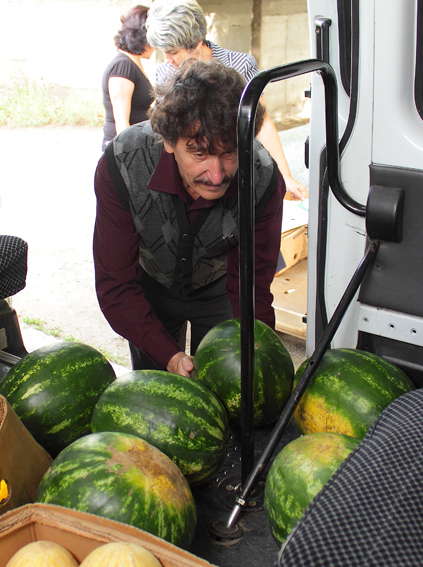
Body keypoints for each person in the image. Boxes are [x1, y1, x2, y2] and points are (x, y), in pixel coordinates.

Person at [93, 60, 285, 377]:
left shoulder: (263, 181)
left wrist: (257, 359)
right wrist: (168, 357)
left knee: (232, 384)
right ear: (169, 141)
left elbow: (252, 291)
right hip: (149, 286)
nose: (217, 174)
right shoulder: (122, 165)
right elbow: (116, 287)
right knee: (156, 388)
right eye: (199, 153)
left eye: (229, 153)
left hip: (221, 289)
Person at [145, 0, 308, 201]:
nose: (167, 59)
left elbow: (262, 123)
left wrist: (286, 177)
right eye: (163, 52)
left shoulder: (238, 65)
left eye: (172, 52)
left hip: (232, 177)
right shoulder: (165, 74)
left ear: (195, 43)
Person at [101, 5, 154, 151]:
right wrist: (130, 157)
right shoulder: (123, 67)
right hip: (123, 150)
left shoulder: (132, 63)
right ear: (144, 37)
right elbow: (122, 122)